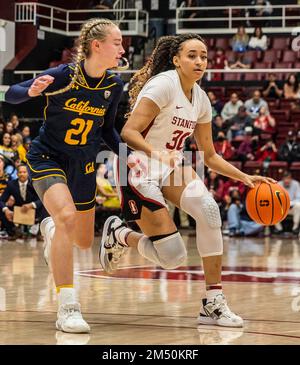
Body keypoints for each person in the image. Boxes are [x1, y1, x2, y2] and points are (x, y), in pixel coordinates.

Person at [99, 34, 275, 328]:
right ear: (177, 60)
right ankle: (119, 234)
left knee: (209, 210)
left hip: (169, 166)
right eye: (192, 55)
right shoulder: (163, 85)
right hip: (135, 164)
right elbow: (129, 132)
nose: (199, 61)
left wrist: (245, 177)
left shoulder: (201, 98)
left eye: (204, 56)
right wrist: (157, 153)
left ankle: (213, 303)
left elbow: (209, 155)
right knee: (172, 257)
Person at [5, 18, 128, 333]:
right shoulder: (63, 75)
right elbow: (12, 95)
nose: (122, 48)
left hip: (84, 164)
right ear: (96, 45)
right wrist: (30, 89)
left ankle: (49, 228)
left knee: (83, 240)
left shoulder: (114, 86)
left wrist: (129, 156)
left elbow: (108, 130)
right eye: (117, 42)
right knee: (66, 218)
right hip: (48, 156)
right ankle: (67, 306)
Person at [0, 164, 43, 240]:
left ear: (28, 173)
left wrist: (32, 205)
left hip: (33, 210)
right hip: (18, 211)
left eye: (24, 172)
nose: (22, 174)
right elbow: (2, 200)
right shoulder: (11, 184)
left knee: (45, 206)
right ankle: (14, 232)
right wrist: (6, 210)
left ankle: (40, 233)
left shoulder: (34, 183)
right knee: (2, 208)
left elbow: (42, 199)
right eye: (20, 172)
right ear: (17, 174)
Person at [274, 171, 300, 235]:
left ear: (291, 179)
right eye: (285, 178)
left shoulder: (296, 184)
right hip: (281, 208)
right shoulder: (278, 185)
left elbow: (298, 198)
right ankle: (278, 228)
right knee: (273, 206)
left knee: (299, 205)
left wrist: (289, 204)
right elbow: (275, 199)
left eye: (288, 178)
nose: (286, 180)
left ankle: (295, 228)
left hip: (292, 208)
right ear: (283, 179)